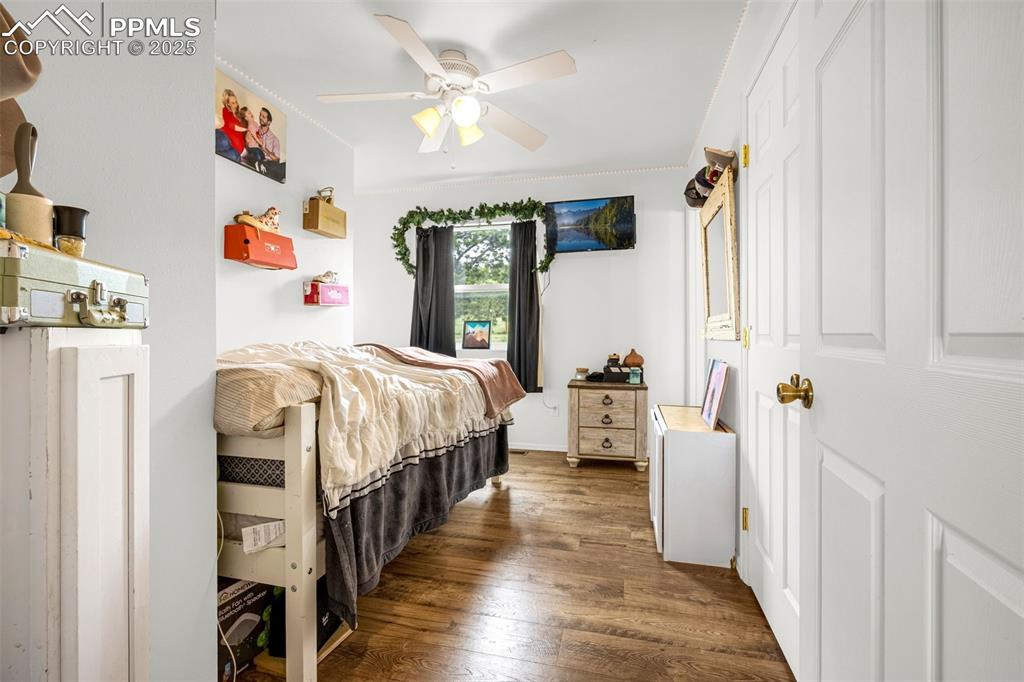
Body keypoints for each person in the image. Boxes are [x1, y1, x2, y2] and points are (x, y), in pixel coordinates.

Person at [215, 89, 246, 162]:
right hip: (224, 137)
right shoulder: (226, 110)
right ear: (228, 104)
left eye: (236, 102)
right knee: (224, 142)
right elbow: (230, 125)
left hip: (235, 149)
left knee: (236, 158)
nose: (236, 105)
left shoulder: (239, 116)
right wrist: (244, 129)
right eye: (233, 103)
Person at [254, 107, 285, 181]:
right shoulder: (255, 130)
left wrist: (265, 149)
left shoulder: (275, 139)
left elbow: (276, 159)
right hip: (259, 158)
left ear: (269, 122)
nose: (260, 117)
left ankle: (268, 171)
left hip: (271, 164)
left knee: (285, 166)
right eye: (260, 115)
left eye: (263, 117)